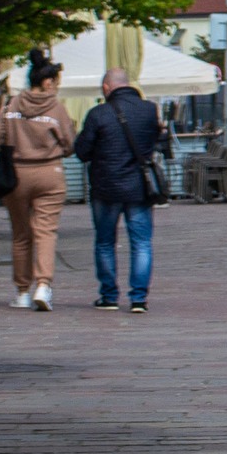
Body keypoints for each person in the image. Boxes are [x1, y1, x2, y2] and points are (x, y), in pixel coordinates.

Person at [0, 54, 74, 310]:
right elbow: (69, 144)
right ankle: (44, 286)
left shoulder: (11, 104)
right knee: (45, 232)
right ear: (47, 82)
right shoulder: (56, 108)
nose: (57, 86)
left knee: (21, 235)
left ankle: (23, 290)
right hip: (50, 173)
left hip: (16, 175)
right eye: (56, 82)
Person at [71, 68, 162, 311]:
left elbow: (82, 152)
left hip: (105, 187)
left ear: (106, 88)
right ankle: (139, 298)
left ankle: (109, 296)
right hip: (139, 187)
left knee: (104, 242)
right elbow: (155, 143)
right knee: (141, 242)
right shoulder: (149, 110)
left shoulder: (98, 114)